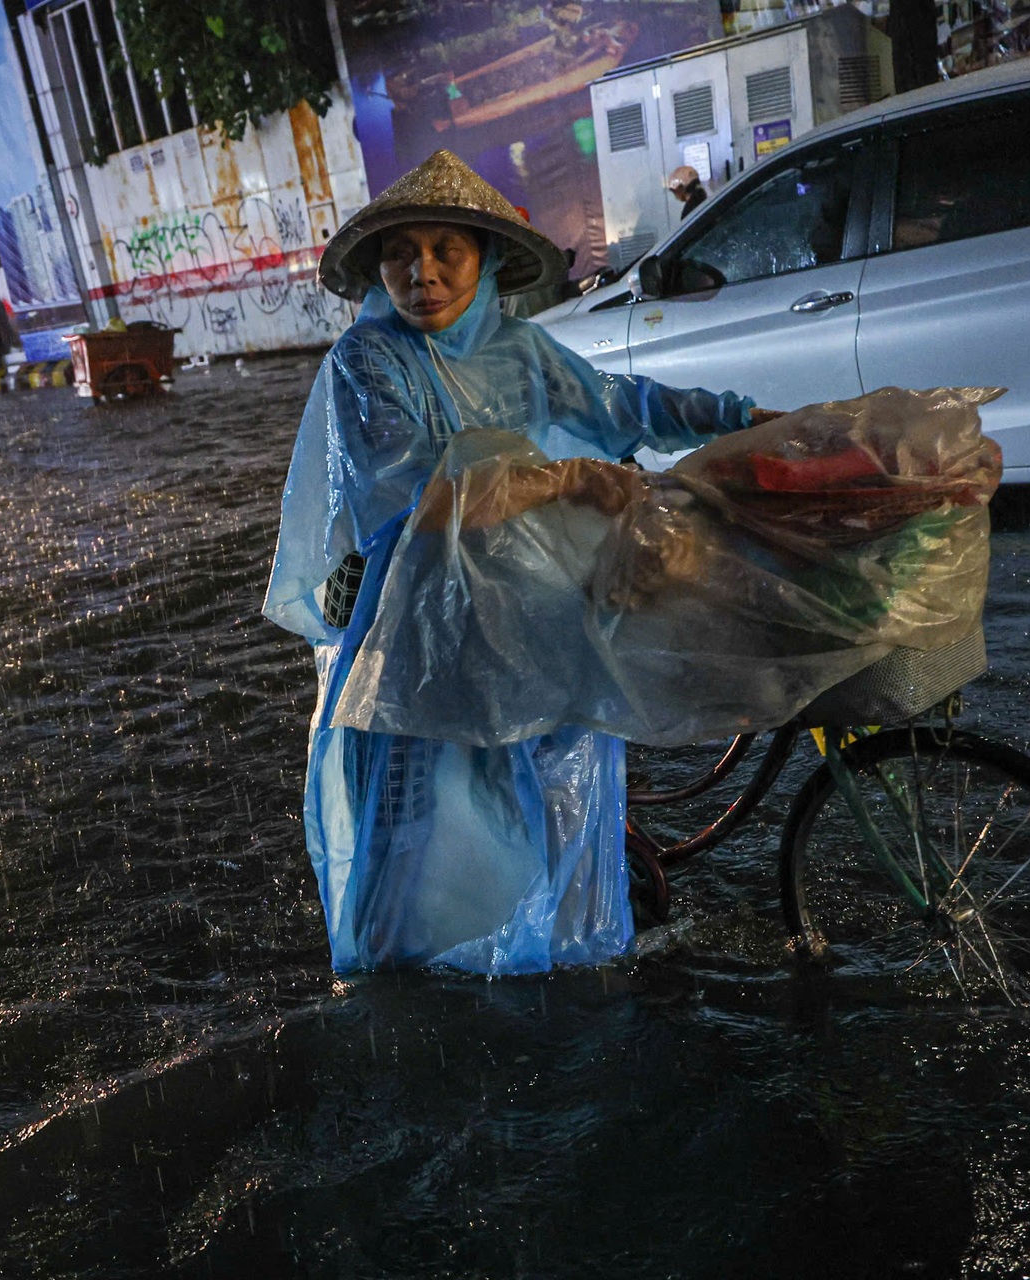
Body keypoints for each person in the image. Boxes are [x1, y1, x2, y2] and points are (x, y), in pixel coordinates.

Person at [264, 149, 764, 975]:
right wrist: (567, 480)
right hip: (416, 653)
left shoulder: (526, 352)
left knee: (559, 835)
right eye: (401, 253)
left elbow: (623, 405)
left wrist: (744, 419)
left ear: (486, 259)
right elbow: (416, 483)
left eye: (445, 251)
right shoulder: (365, 364)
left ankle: (565, 984)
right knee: (423, 866)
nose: (421, 272)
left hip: (528, 625)